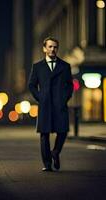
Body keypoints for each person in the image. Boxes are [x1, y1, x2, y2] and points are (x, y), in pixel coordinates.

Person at [28, 37, 73, 172]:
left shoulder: (65, 66)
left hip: (60, 104)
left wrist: (64, 98)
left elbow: (69, 85)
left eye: (55, 47)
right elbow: (31, 85)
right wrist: (40, 97)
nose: (53, 49)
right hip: (45, 104)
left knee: (63, 131)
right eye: (50, 47)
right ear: (44, 48)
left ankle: (56, 152)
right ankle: (47, 164)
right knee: (44, 134)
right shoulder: (37, 67)